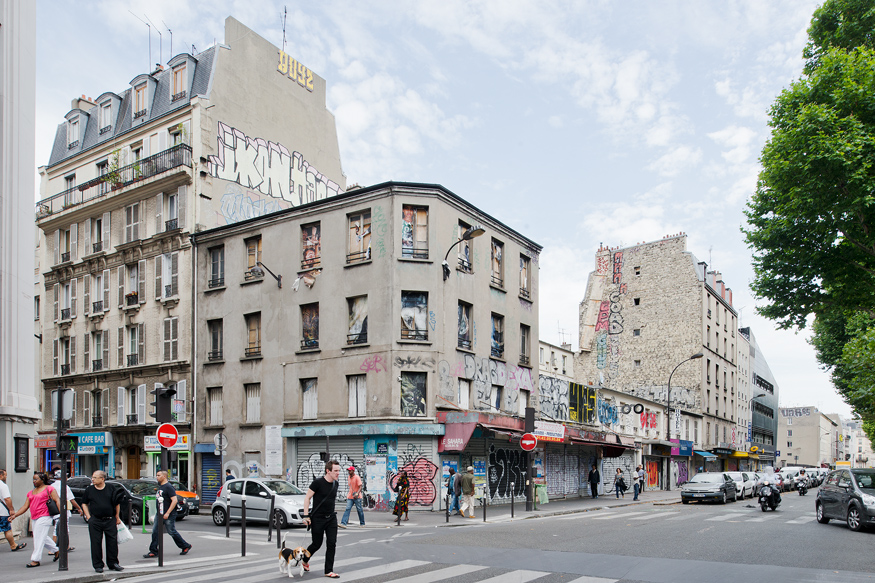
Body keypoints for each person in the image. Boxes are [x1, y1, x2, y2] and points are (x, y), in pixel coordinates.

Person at [9, 472, 61, 568]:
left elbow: (57, 500)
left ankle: (35, 559)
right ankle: (56, 550)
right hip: (35, 517)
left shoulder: (49, 489)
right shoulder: (31, 492)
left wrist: (61, 513)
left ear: (42, 479)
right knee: (41, 536)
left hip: (45, 516)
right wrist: (15, 515)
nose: (34, 481)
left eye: (36, 479)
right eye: (33, 479)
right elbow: (25, 506)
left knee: (38, 538)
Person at [302, 460, 341, 579]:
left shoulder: (336, 484)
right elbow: (307, 498)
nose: (338, 473)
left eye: (339, 471)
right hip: (318, 518)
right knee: (316, 544)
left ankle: (328, 570)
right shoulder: (317, 483)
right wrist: (305, 516)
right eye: (335, 471)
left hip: (331, 518)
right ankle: (305, 560)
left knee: (331, 543)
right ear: (328, 471)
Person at [81, 470, 124, 573]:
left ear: (102, 479)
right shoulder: (89, 490)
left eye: (95, 477)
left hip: (109, 519)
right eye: (93, 477)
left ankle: (113, 563)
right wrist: (88, 517)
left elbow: (117, 504)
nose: (93, 479)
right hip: (95, 520)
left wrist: (117, 517)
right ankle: (98, 565)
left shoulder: (111, 488)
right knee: (95, 543)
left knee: (112, 542)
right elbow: (84, 503)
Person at [144, 470, 191, 559]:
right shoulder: (160, 486)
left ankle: (185, 545)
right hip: (160, 513)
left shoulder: (169, 487)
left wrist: (168, 513)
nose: (157, 477)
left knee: (171, 531)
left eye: (158, 475)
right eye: (156, 475)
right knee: (155, 532)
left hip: (168, 514)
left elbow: (174, 500)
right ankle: (153, 550)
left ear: (164, 476)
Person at [51, 474, 82, 552]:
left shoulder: (51, 486)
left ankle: (63, 546)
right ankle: (53, 548)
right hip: (63, 509)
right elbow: (72, 500)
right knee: (64, 528)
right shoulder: (64, 487)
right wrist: (79, 508)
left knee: (56, 527)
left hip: (54, 509)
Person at [0, 469, 26, 552]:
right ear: (1, 475)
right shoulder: (2, 485)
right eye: (5, 475)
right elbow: (7, 499)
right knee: (7, 529)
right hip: (2, 512)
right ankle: (13, 545)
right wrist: (11, 510)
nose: (6, 477)